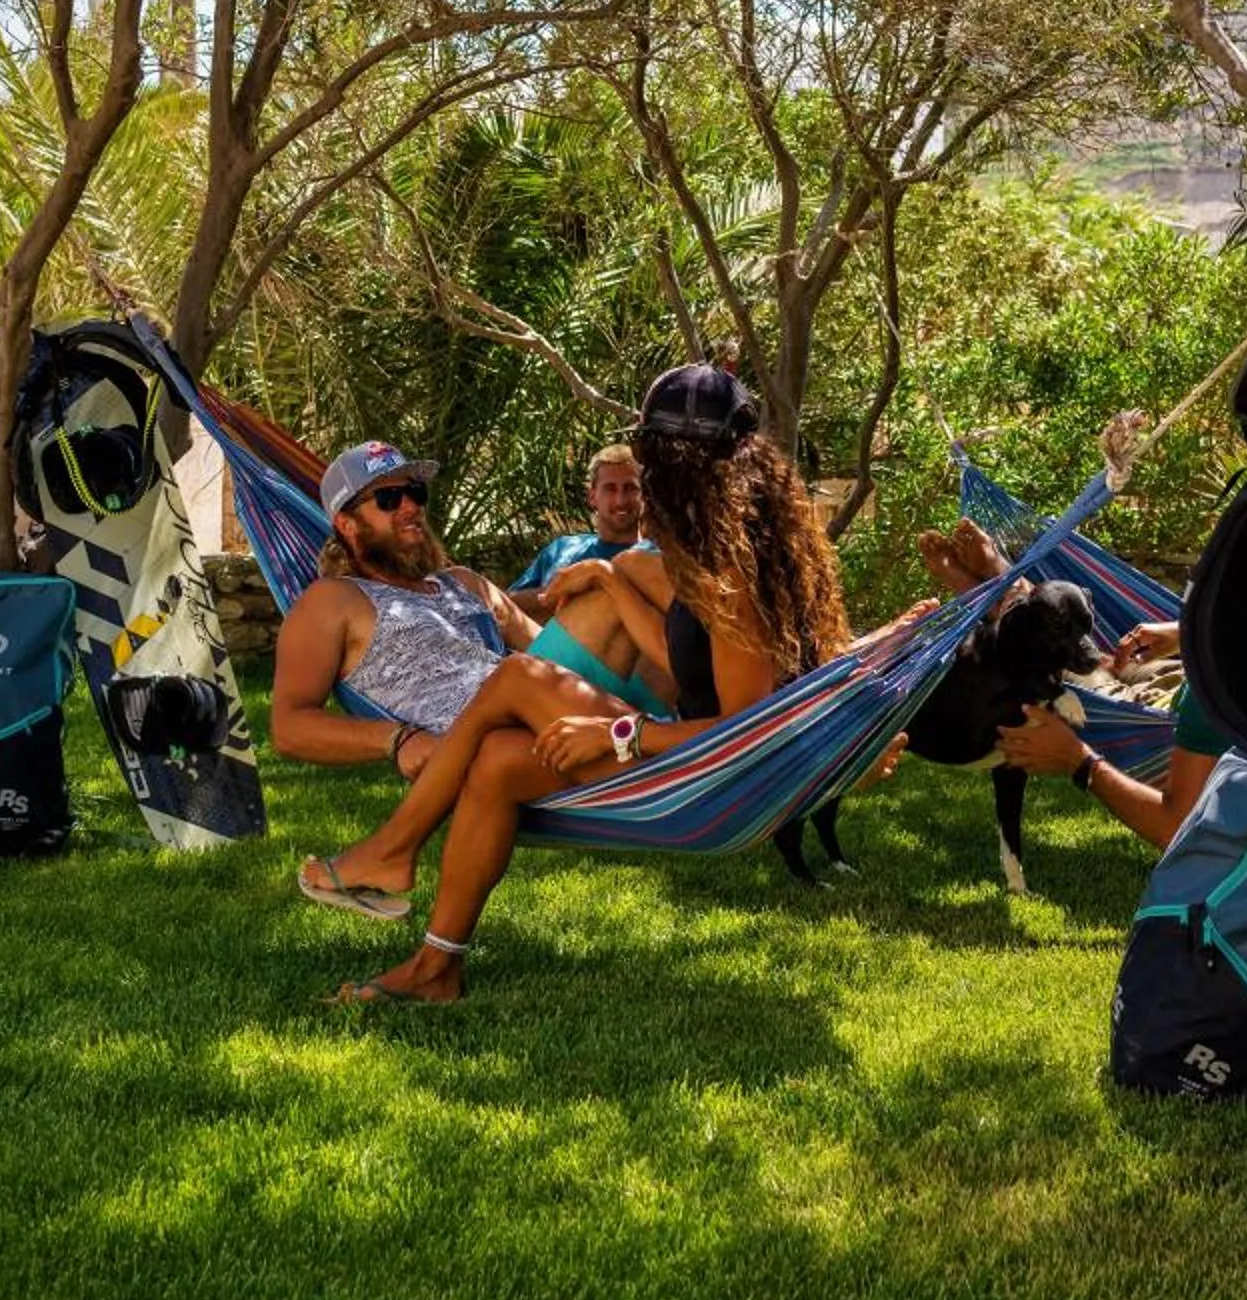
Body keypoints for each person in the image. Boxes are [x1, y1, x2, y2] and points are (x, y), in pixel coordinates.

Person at [309, 362, 854, 1005]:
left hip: (702, 773)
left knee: (516, 676)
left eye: (648, 458)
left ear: (675, 464)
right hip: (682, 752)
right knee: (494, 761)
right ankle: (436, 969)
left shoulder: (731, 576)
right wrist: (613, 587)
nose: (643, 481)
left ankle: (393, 849)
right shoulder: (724, 551)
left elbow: (744, 737)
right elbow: (696, 672)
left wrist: (619, 733)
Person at [272, 438, 669, 916]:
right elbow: (289, 727)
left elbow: (566, 656)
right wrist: (395, 739)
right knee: (522, 671)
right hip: (483, 748)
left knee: (629, 576)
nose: (411, 508)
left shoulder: (463, 583)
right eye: (389, 499)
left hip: (549, 716)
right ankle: (675, 743)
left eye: (416, 493)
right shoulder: (331, 601)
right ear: (347, 523)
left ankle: (716, 731)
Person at [990, 507, 1247, 850]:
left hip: (1151, 709)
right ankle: (1004, 585)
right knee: (1121, 660)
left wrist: (1078, 760)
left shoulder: (1223, 686)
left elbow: (1176, 825)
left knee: (1078, 665)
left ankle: (1002, 592)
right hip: (1180, 674)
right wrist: (1184, 633)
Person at [508, 442, 644, 620]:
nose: (620, 500)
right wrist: (557, 592)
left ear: (645, 495)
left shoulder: (652, 560)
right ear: (592, 496)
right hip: (524, 642)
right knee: (465, 579)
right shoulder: (562, 547)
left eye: (630, 488)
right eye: (610, 488)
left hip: (583, 646)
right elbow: (506, 605)